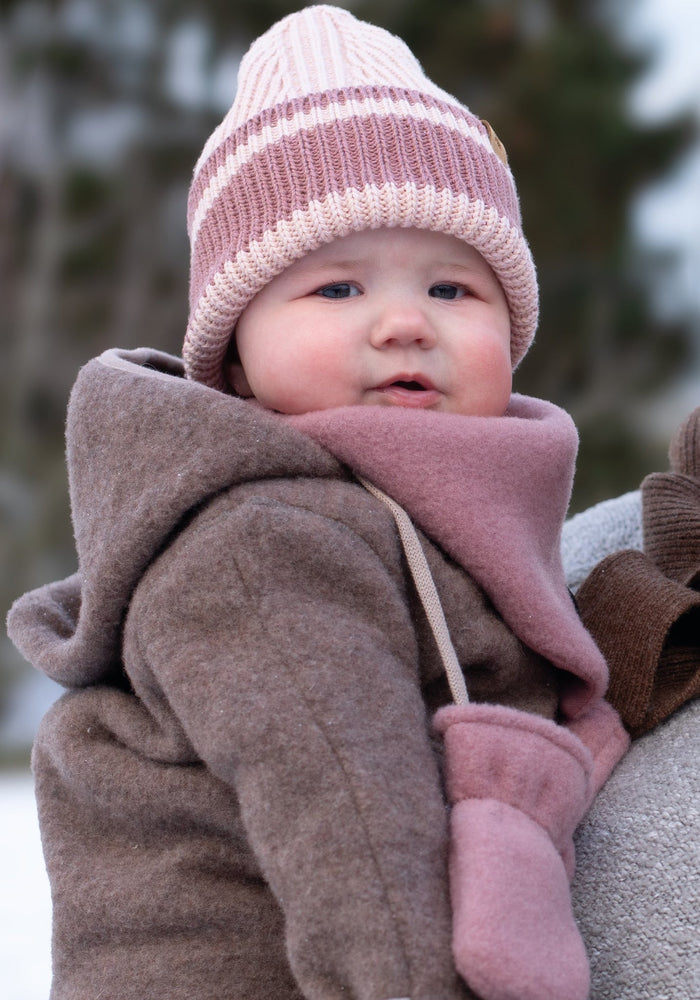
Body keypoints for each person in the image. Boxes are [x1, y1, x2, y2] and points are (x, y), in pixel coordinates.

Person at [7, 7, 634, 1000]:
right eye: (337, 289)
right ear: (237, 357)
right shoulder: (261, 544)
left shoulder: (435, 518)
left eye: (453, 288)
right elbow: (353, 836)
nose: (402, 323)